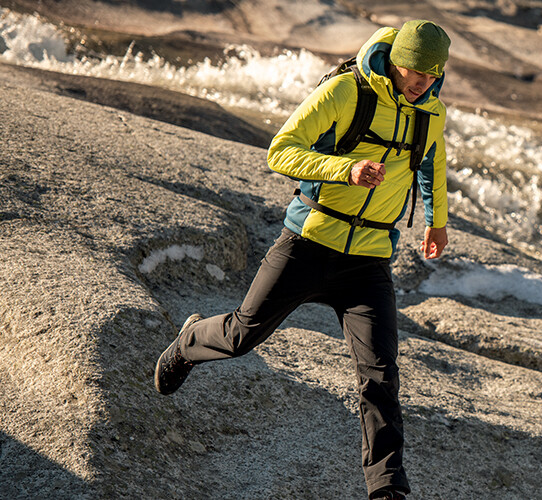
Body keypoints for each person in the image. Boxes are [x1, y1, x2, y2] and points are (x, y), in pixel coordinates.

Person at [153, 20, 453, 500]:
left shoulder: (431, 113)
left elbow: (431, 163)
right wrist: (345, 169)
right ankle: (190, 339)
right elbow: (281, 150)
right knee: (240, 336)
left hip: (369, 261)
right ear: (394, 57)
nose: (420, 80)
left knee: (380, 375)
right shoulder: (344, 92)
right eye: (413, 69)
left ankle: (387, 488)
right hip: (308, 243)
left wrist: (436, 221)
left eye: (431, 73)